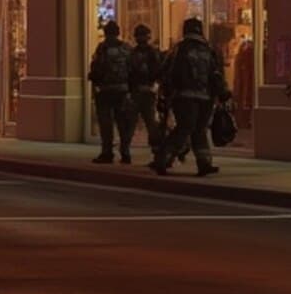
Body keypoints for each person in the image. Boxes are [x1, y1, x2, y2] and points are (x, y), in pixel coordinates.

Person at [151, 16, 228, 177]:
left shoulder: (179, 49)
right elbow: (216, 74)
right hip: (205, 98)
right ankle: (204, 163)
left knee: (184, 128)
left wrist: (165, 92)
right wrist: (222, 93)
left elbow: (164, 71)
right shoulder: (209, 50)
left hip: (183, 96)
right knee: (199, 130)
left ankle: (163, 158)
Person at [87, 20, 136, 164]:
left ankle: (107, 152)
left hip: (105, 91)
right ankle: (125, 152)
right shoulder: (126, 49)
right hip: (122, 90)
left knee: (106, 124)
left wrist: (94, 79)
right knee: (123, 123)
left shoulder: (102, 48)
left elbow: (96, 68)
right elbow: (133, 69)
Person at [127, 23, 166, 162]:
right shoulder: (152, 53)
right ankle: (156, 153)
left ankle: (126, 152)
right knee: (151, 124)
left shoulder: (133, 53)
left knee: (134, 123)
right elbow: (159, 72)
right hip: (146, 92)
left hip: (140, 92)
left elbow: (129, 73)